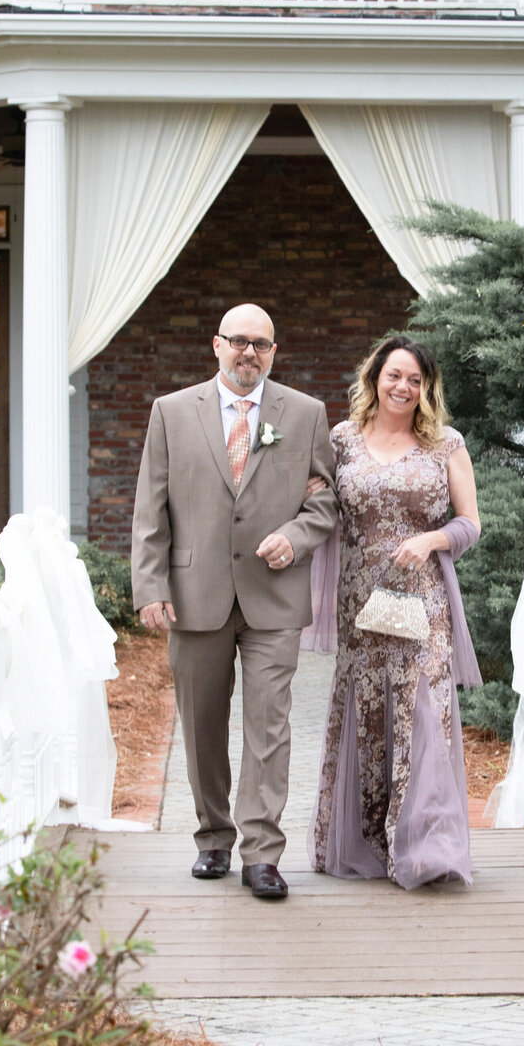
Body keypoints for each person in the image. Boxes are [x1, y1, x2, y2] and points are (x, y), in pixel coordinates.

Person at [132, 303, 338, 900]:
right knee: (201, 726)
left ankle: (262, 853)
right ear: (216, 345)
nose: (250, 353)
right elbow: (151, 508)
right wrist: (150, 586)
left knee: (269, 726)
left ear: (274, 353)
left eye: (263, 345)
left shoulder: (304, 414)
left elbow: (324, 502)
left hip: (274, 597)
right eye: (240, 342)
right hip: (196, 594)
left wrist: (294, 537)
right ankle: (213, 837)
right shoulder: (171, 413)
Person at [308, 334, 482, 888]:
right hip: (361, 602)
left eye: (415, 379)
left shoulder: (445, 444)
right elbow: (317, 506)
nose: (403, 387)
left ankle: (425, 846)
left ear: (426, 388)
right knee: (368, 711)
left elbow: (470, 523)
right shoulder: (341, 440)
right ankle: (367, 839)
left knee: (423, 710)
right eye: (394, 376)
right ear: (374, 379)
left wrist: (430, 540)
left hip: (422, 601)